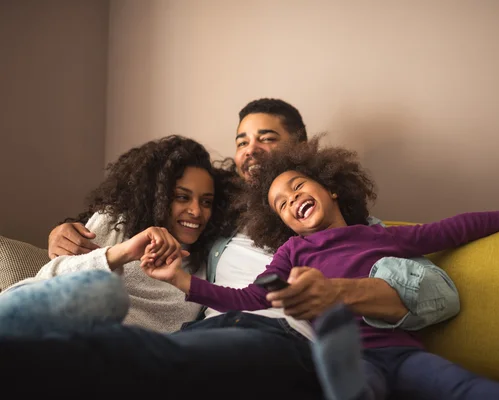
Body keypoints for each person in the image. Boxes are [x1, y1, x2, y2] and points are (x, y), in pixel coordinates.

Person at [0, 99, 460, 398]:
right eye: (242, 141)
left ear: (298, 151)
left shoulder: (346, 227)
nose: (251, 149)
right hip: (211, 332)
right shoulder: (214, 223)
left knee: (150, 359)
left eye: (267, 138)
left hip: (283, 341)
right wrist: (68, 229)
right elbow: (147, 209)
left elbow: (439, 294)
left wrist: (338, 291)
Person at [139, 135, 499, 399]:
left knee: (463, 386)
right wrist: (180, 280)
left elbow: (455, 228)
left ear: (331, 187)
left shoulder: (378, 235)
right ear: (281, 224)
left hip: (402, 352)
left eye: (297, 186)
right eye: (280, 205)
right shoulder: (292, 256)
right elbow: (246, 298)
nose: (291, 200)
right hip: (352, 361)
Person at [0, 134, 231, 335]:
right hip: (38, 318)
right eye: (182, 197)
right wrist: (124, 252)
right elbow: (48, 278)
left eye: (206, 202)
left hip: (112, 352)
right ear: (158, 196)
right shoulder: (116, 222)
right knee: (105, 290)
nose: (196, 211)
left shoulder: (203, 263)